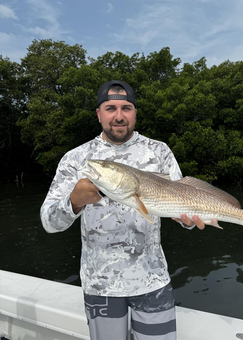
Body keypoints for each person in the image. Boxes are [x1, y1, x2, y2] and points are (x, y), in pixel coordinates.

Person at [40, 80, 206, 340]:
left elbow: (181, 203)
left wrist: (187, 220)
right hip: (100, 285)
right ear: (98, 114)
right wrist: (73, 201)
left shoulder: (159, 151)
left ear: (135, 112)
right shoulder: (77, 159)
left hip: (153, 280)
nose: (119, 116)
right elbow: (49, 222)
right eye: (110, 108)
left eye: (126, 108)